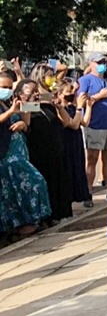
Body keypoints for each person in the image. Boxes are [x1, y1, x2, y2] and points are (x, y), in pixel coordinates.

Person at [0, 70, 51, 238]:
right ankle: (20, 225)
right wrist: (11, 111)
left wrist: (25, 109)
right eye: (3, 87)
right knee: (33, 181)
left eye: (9, 87)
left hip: (20, 150)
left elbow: (28, 120)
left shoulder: (9, 102)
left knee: (24, 187)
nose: (6, 90)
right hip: (7, 155)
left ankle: (31, 222)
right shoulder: (7, 107)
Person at [23, 70, 73, 223]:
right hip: (39, 152)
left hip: (55, 150)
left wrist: (59, 107)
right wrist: (29, 100)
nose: (37, 95)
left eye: (37, 92)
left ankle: (58, 213)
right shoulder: (29, 107)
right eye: (34, 92)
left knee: (58, 182)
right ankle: (46, 217)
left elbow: (66, 122)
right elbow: (26, 122)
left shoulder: (49, 107)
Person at [78, 52, 107, 203]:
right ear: (91, 63)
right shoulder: (85, 80)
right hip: (94, 125)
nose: (102, 64)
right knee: (92, 159)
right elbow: (81, 100)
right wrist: (98, 96)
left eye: (104, 61)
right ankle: (88, 192)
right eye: (99, 61)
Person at [55, 81, 92, 206]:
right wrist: (79, 108)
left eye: (72, 92)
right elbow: (73, 125)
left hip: (76, 142)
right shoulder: (59, 109)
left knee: (77, 168)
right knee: (67, 170)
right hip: (66, 142)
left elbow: (84, 122)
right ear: (60, 94)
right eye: (68, 92)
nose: (71, 94)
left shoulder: (72, 108)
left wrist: (89, 107)